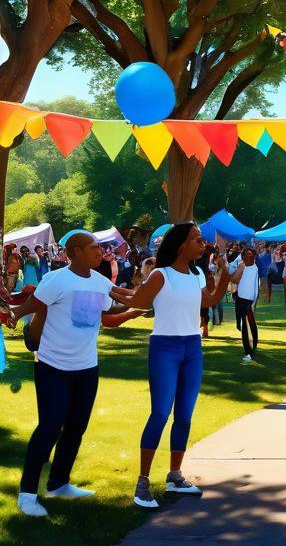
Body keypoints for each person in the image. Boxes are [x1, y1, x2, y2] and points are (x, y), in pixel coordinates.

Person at [16, 230, 143, 518]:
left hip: (86, 368)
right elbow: (29, 307)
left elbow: (110, 313)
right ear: (74, 253)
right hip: (52, 367)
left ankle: (59, 483)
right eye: (93, 248)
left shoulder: (100, 281)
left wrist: (140, 306)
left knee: (76, 427)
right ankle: (27, 494)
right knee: (50, 427)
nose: (100, 252)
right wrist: (12, 314)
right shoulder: (55, 280)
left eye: (99, 248)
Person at [119, 222, 231, 509]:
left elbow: (211, 299)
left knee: (184, 415)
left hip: (192, 347)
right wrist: (110, 293)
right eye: (197, 240)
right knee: (160, 413)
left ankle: (175, 475)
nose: (203, 244)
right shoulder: (161, 274)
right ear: (181, 244)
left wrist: (225, 272)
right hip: (165, 347)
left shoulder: (196, 275)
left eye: (202, 240)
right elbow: (140, 301)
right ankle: (142, 483)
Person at [229, 246, 259, 364]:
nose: (250, 257)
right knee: (249, 324)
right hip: (245, 299)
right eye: (247, 255)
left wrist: (227, 275)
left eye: (251, 255)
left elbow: (235, 279)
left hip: (246, 300)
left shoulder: (248, 266)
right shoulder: (248, 266)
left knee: (247, 325)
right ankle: (251, 349)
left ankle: (249, 352)